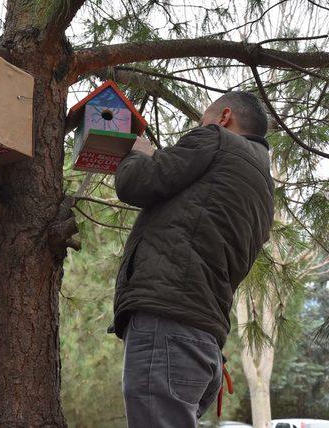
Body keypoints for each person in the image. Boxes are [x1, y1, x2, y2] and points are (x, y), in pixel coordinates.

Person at [109, 91, 275, 427]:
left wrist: (137, 155)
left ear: (224, 117)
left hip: (168, 322)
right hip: (204, 338)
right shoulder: (264, 188)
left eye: (202, 120)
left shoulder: (216, 140)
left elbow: (137, 183)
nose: (199, 127)